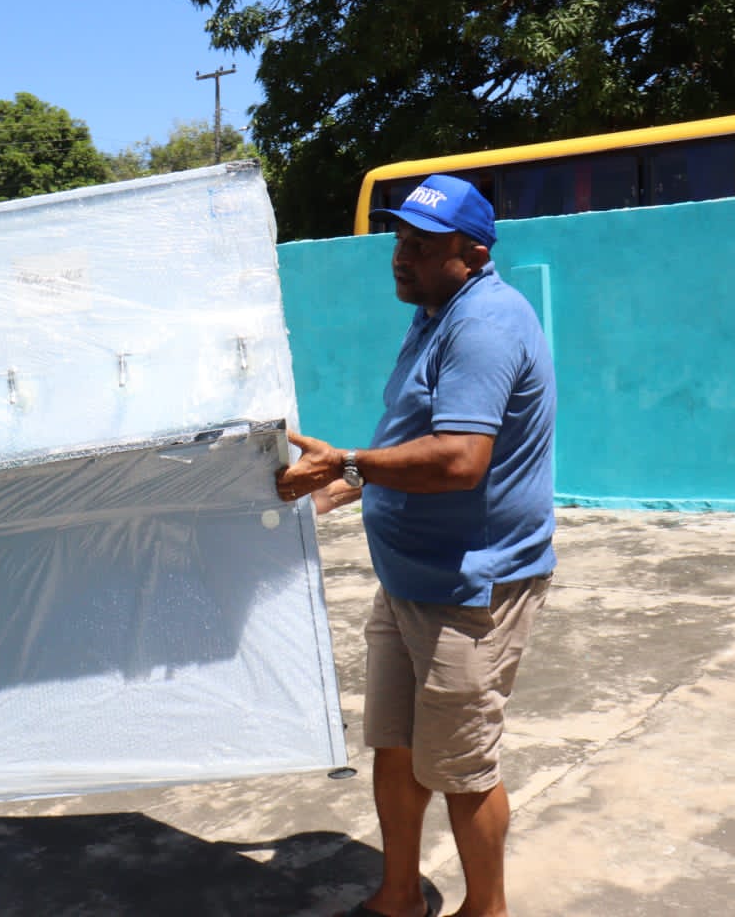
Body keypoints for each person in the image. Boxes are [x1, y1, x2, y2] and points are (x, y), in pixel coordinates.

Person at [276, 175, 556, 917]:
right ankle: (398, 895)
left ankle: (484, 910)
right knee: (397, 748)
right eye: (399, 239)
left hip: (471, 589)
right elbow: (412, 437)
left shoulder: (485, 325)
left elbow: (462, 459)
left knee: (462, 765)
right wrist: (338, 491)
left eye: (421, 245)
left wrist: (348, 463)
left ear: (471, 251)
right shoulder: (435, 313)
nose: (401, 256)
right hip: (408, 578)